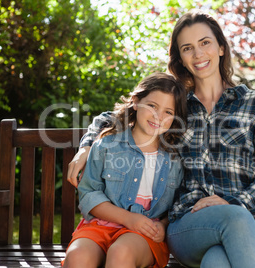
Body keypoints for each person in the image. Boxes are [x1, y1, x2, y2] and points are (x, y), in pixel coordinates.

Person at [68, 10, 255, 268]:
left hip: (254, 222)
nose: (198, 54)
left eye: (205, 43)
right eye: (187, 48)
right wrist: (86, 147)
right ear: (180, 58)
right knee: (234, 217)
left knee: (217, 261)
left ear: (220, 47)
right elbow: (116, 114)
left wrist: (232, 202)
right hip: (189, 223)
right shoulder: (177, 105)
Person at [63, 72, 188, 268]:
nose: (158, 117)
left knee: (121, 253)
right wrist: (128, 218)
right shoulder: (107, 144)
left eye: (168, 112)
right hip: (100, 225)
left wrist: (163, 226)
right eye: (152, 106)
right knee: (78, 256)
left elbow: (178, 204)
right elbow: (88, 194)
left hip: (144, 232)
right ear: (136, 102)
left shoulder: (175, 158)